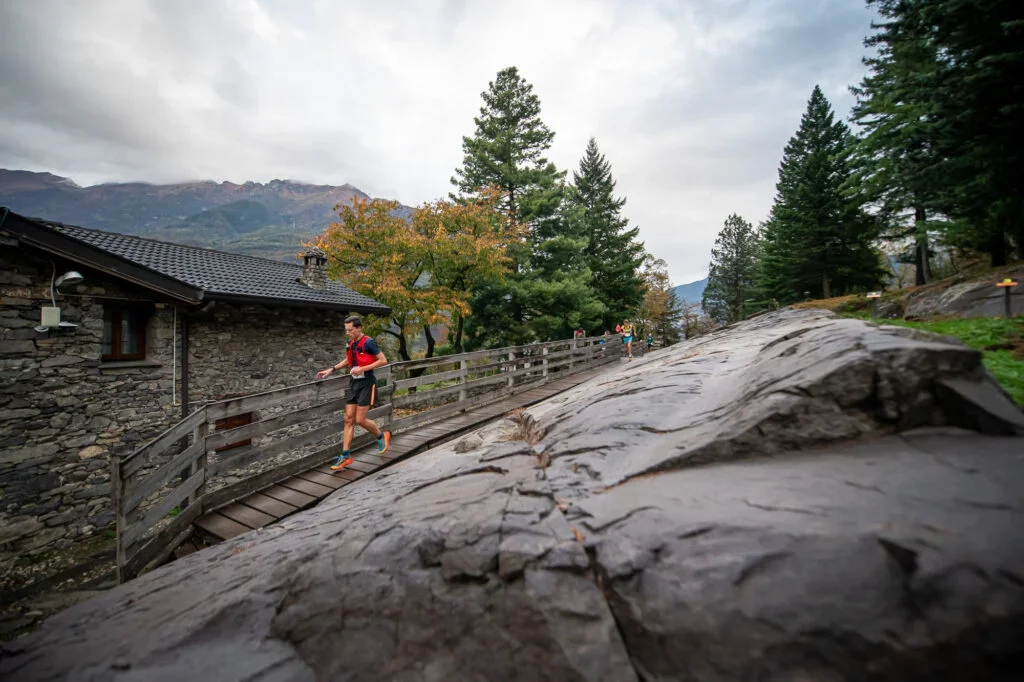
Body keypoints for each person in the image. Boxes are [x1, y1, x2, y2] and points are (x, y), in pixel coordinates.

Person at [316, 315, 391, 470]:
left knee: (360, 420)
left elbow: (383, 360)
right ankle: (345, 456)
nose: (348, 333)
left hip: (367, 383)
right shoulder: (350, 343)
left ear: (359, 328)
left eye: (350, 330)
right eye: (346, 330)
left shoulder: (369, 342)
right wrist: (332, 369)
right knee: (348, 419)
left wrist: (362, 369)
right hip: (354, 383)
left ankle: (381, 436)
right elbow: (348, 361)